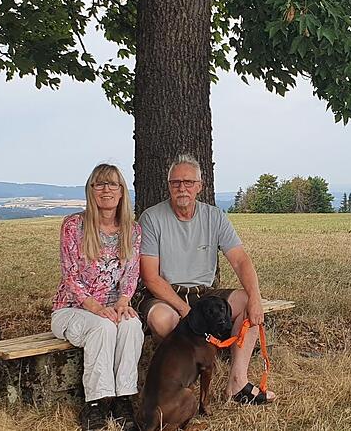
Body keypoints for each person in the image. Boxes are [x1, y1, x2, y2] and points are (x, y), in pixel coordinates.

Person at [136, 154, 276, 405]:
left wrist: (256, 299)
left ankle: (237, 382)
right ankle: (179, 377)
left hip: (203, 294)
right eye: (176, 182)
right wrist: (185, 311)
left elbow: (241, 260)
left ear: (200, 186)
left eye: (189, 182)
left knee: (247, 300)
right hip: (164, 294)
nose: (182, 188)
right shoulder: (151, 218)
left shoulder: (215, 217)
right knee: (162, 318)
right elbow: (150, 277)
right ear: (168, 185)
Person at [50, 163, 143, 431]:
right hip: (71, 309)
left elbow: (131, 273)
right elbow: (70, 276)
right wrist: (96, 307)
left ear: (122, 191)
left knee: (131, 325)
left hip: (113, 307)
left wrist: (124, 300)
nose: (106, 189)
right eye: (100, 184)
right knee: (103, 326)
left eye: (113, 184)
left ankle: (123, 399)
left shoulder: (132, 230)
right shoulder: (73, 226)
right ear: (91, 190)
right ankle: (96, 404)